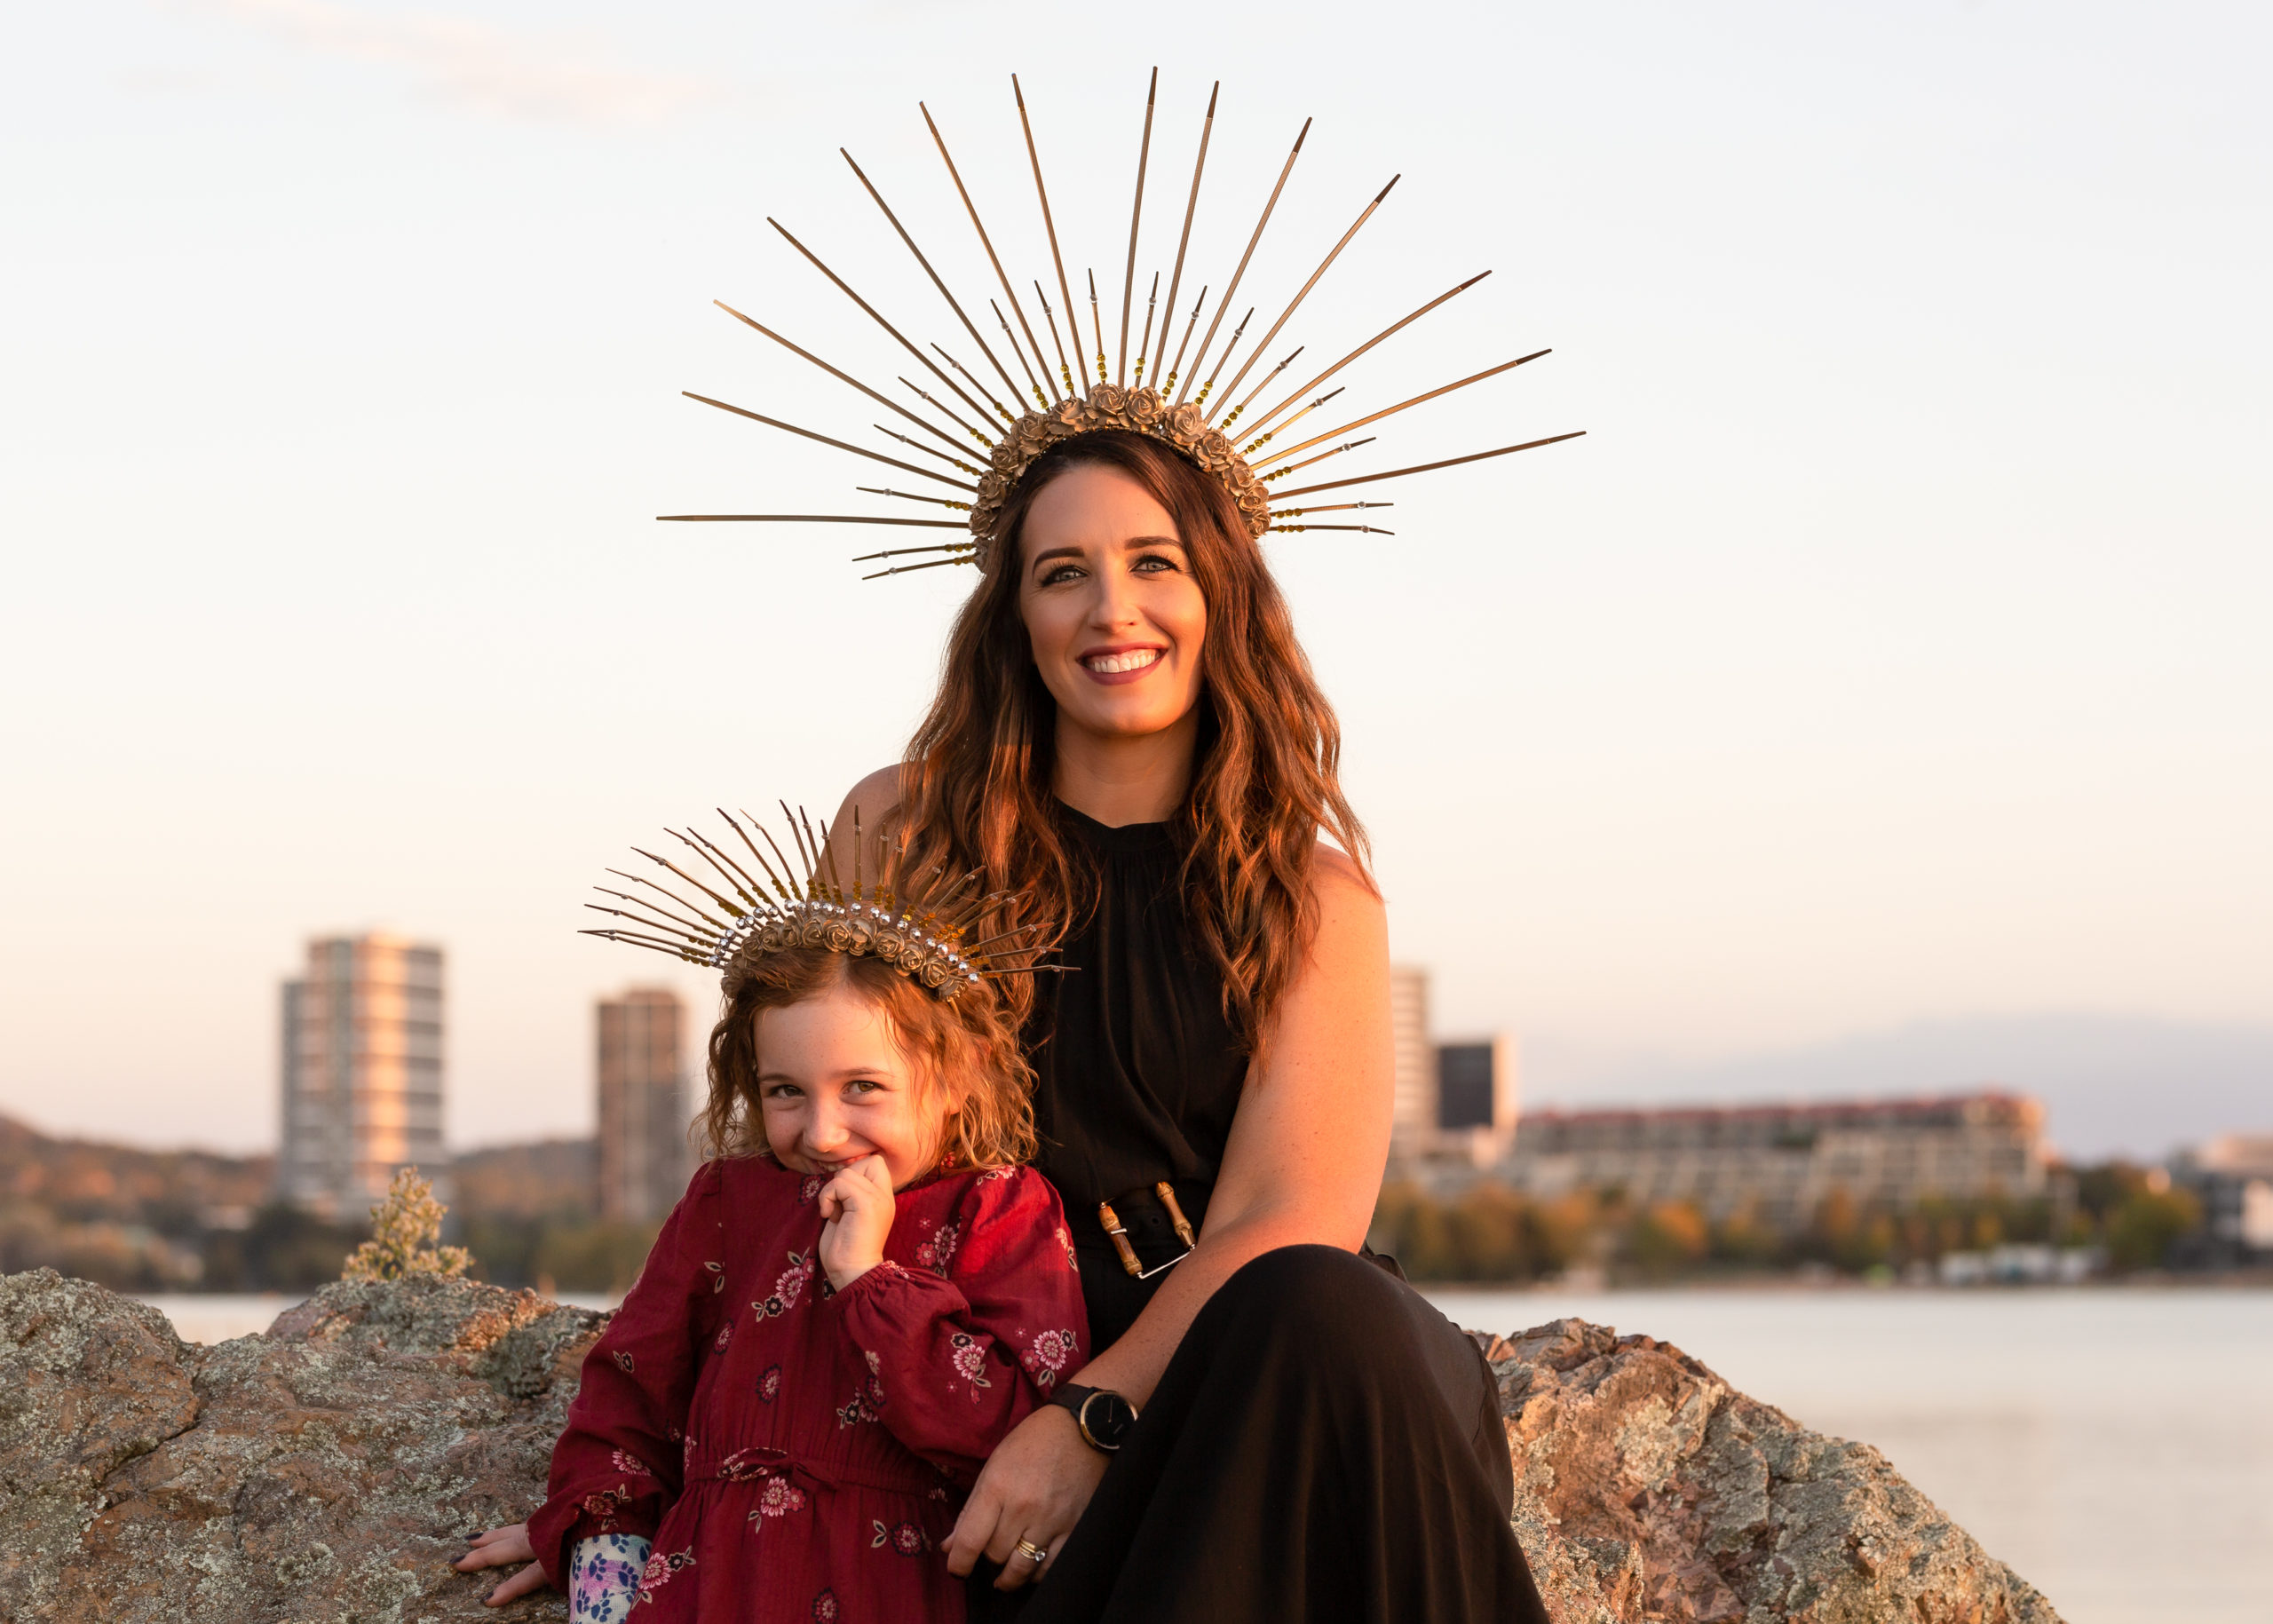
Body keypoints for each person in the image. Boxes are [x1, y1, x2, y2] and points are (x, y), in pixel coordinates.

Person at [833, 428, 1553, 1622]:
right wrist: (622, 1481)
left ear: (1220, 592)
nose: (1114, 609)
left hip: (1281, 1360)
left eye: (1154, 562)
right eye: (1063, 572)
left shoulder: (1314, 896)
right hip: (1005, 1355)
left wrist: (1091, 1417)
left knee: (1314, 1306)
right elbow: (818, 1137)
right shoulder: (900, 834)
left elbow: (1289, 1217)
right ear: (1014, 615)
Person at [454, 819, 1089, 1622]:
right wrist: (597, 1540)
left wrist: (869, 1281)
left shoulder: (999, 1206)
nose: (821, 1132)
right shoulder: (727, 1201)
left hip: (894, 1589)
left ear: (954, 1076)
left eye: (863, 1086)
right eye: (786, 1090)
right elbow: (630, 1388)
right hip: (707, 1583)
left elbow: (1010, 1429)